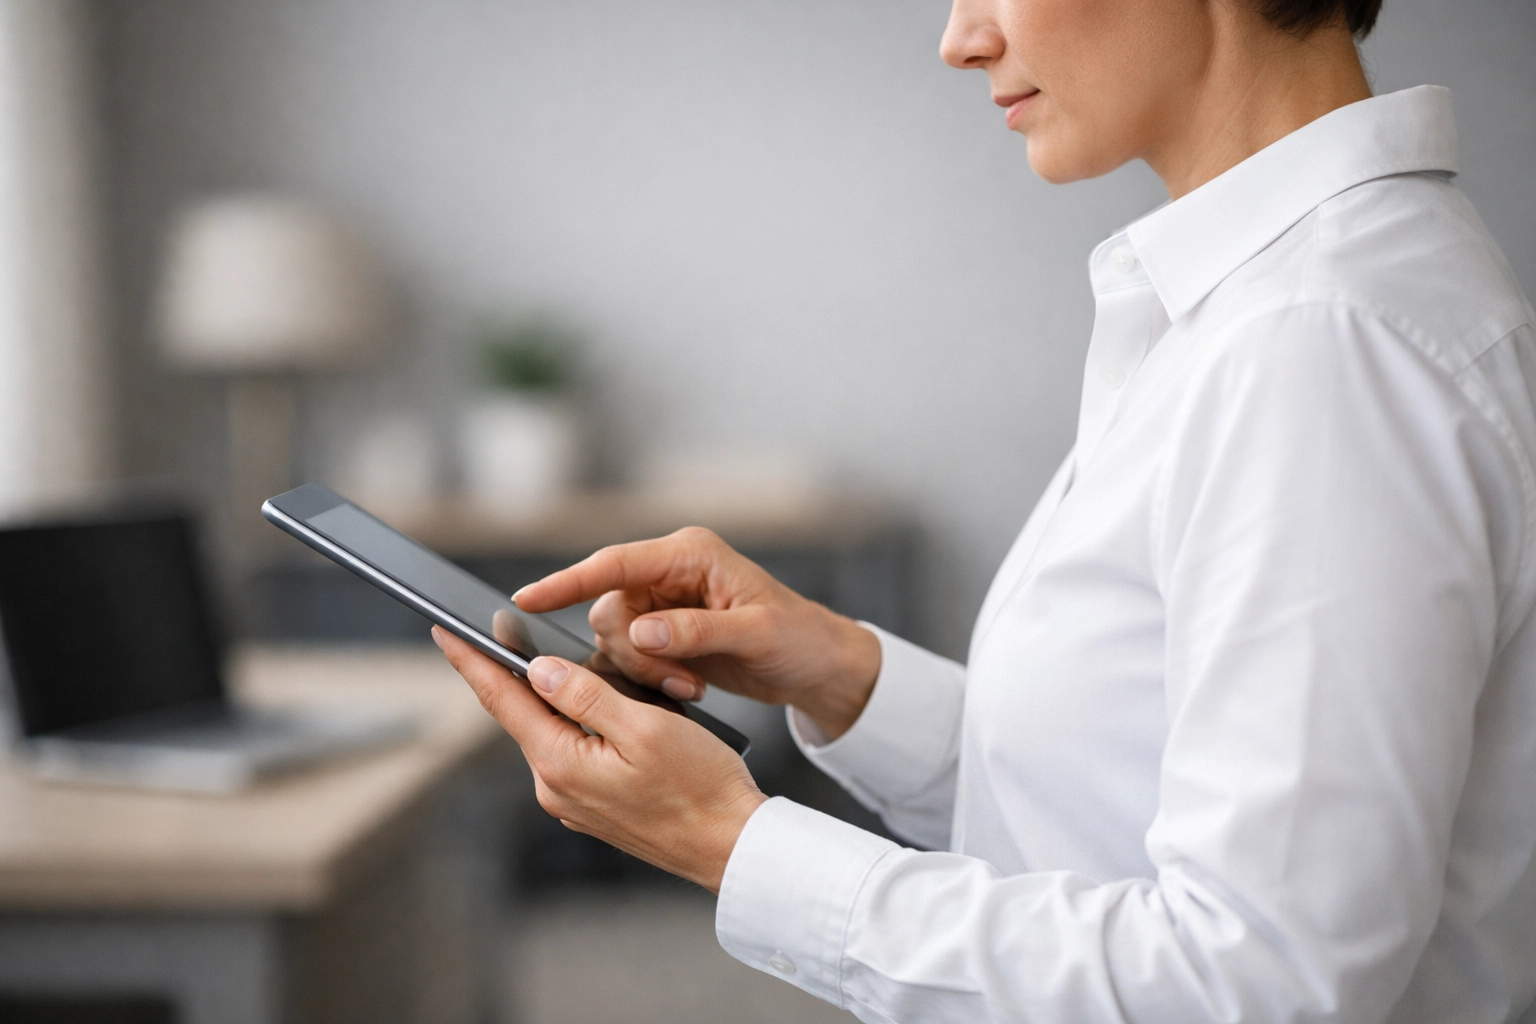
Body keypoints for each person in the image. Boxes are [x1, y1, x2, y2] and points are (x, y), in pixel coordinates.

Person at [434, 0, 1536, 1019]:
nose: (960, 36)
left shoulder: (1323, 343)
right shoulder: (1263, 307)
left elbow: (1256, 978)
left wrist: (735, 842)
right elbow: (1111, 801)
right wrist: (840, 673)